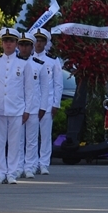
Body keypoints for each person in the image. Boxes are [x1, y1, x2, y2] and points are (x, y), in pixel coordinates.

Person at [0, 28, 36, 185]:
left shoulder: (23, 64)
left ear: (16, 44)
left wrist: (27, 110)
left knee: (14, 142)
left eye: (11, 41)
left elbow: (29, 89)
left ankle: (12, 172)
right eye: (5, 41)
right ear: (1, 43)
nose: (8, 44)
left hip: (17, 108)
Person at [14, 32, 48, 179]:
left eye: (27, 45)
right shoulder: (13, 63)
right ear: (18, 46)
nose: (24, 48)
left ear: (31, 46)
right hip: (17, 108)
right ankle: (18, 167)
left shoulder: (39, 65)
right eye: (21, 44)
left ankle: (30, 167)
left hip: (34, 107)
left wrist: (43, 107)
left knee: (32, 140)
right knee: (18, 139)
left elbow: (45, 88)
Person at [33, 28, 63, 174]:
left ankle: (44, 163)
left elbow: (58, 83)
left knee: (45, 135)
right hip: (31, 104)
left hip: (48, 103)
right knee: (30, 136)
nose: (38, 44)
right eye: (36, 40)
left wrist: (56, 103)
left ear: (46, 43)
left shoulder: (52, 60)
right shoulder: (26, 58)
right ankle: (31, 163)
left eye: (41, 41)